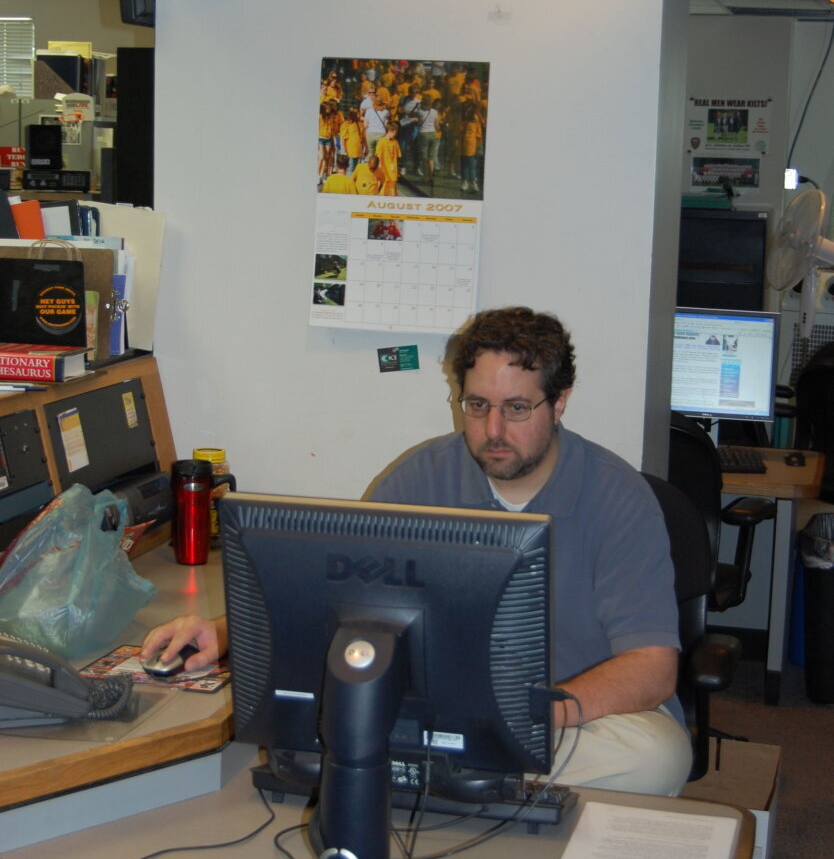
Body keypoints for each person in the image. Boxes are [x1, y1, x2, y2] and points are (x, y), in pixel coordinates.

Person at [142, 307, 692, 795]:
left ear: (561, 402)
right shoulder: (419, 478)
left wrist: (540, 715)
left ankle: (442, 777)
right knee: (308, 724)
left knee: (657, 757)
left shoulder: (618, 497)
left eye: (517, 408)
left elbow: (652, 668)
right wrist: (221, 633)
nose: (493, 429)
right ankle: (465, 778)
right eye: (477, 405)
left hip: (567, 721)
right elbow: (337, 601)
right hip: (439, 714)